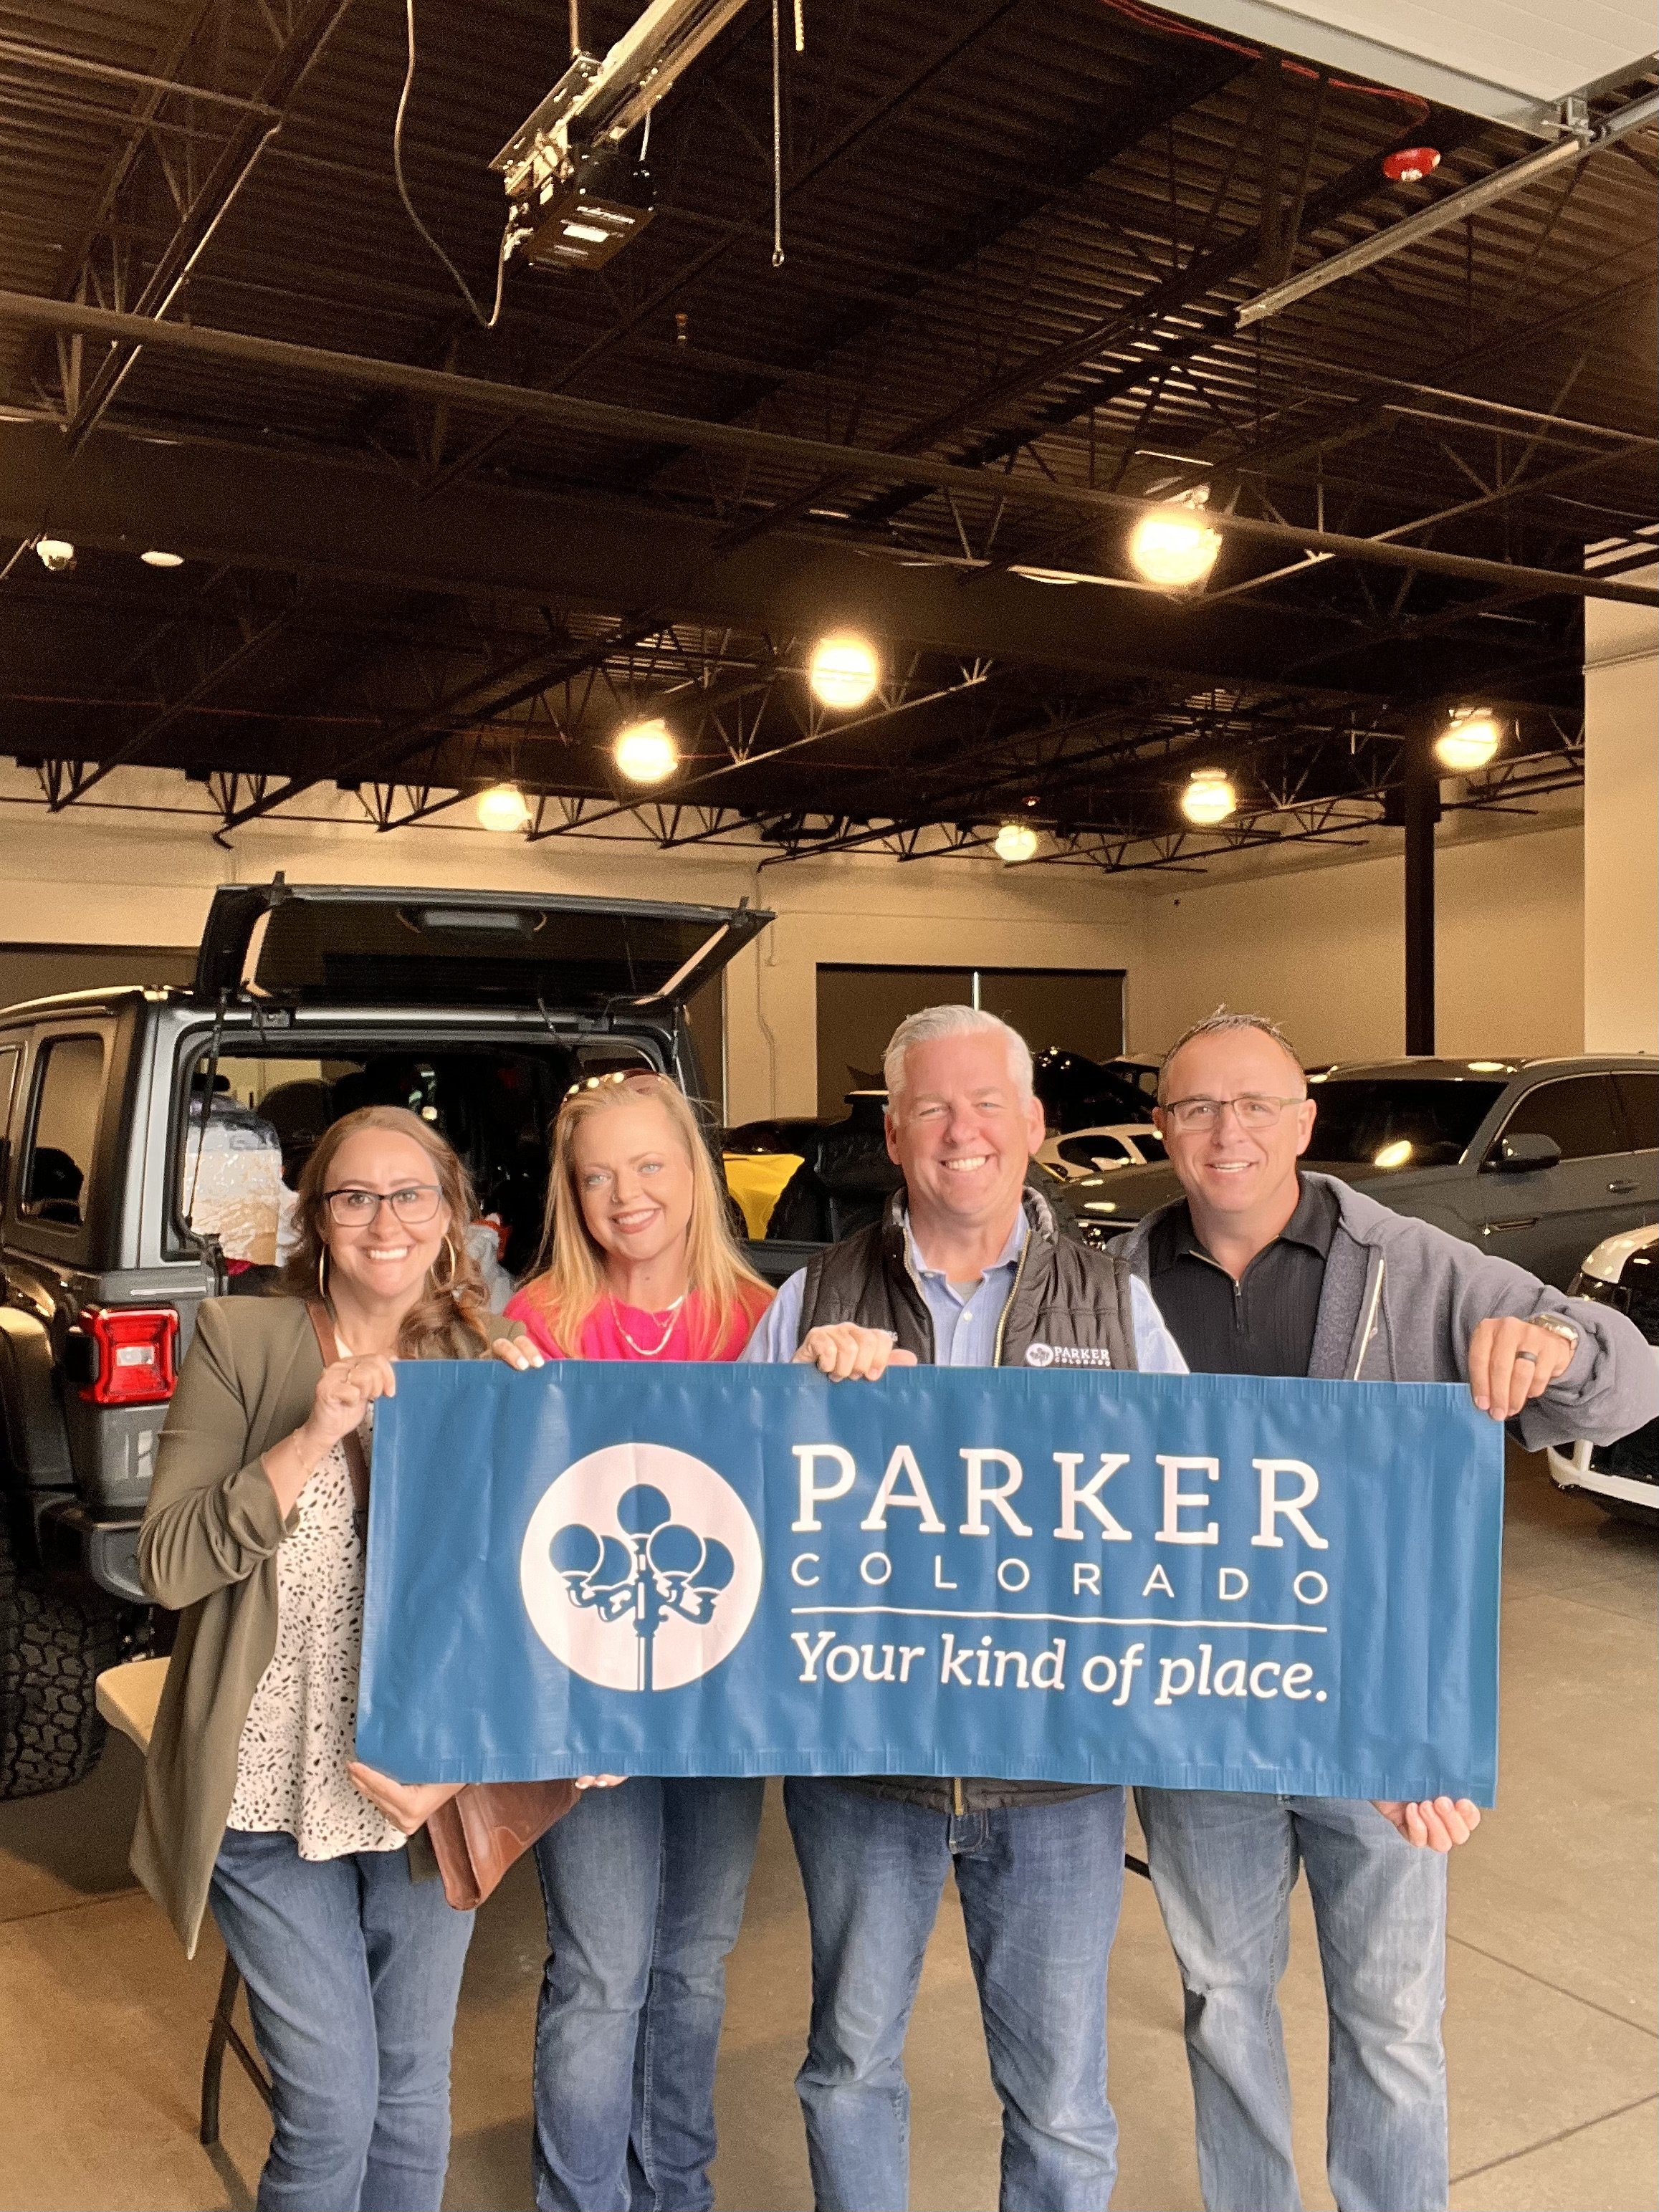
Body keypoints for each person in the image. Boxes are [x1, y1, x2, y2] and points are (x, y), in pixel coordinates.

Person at [1117, 1010, 1659, 2212]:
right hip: (1197, 1719)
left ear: (1303, 1121)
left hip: (1377, 1722)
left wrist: (1557, 1343)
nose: (1227, 1131)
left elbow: (1631, 1381)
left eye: (1256, 1104)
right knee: (1222, 2002)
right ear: (1163, 1128)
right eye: (1197, 1107)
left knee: (1392, 2020)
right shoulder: (1113, 1289)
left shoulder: (1413, 1267)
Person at [742, 1005, 1189, 2212]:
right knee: (848, 2069)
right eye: (931, 1108)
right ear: (892, 1135)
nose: (961, 1131)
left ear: (1033, 1125)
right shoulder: (813, 1298)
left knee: (1060, 2100)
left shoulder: (1117, 1305)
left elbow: (1187, 1511)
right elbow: (738, 1507)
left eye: (987, 1104)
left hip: (1056, 1769)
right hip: (863, 1764)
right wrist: (800, 1406)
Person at [133, 1105, 537, 2212]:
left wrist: (537, 1434)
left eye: (410, 1195)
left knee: (409, 2099)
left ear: (450, 1215)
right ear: (317, 1218)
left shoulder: (490, 1358)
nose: (384, 1221)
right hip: (266, 1793)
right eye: (355, 1197)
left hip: (417, 1791)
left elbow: (529, 1605)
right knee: (332, 2112)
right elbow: (168, 1564)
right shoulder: (244, 1340)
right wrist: (310, 1435)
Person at [504, 1070, 778, 2212]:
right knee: (603, 1971)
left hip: (724, 1700)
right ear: (571, 1194)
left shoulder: (767, 1320)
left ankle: (678, 2191)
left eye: (650, 1165)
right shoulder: (534, 1326)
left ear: (695, 1175)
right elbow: (503, 1524)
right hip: (588, 1703)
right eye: (597, 1176)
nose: (627, 1196)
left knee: (696, 1964)